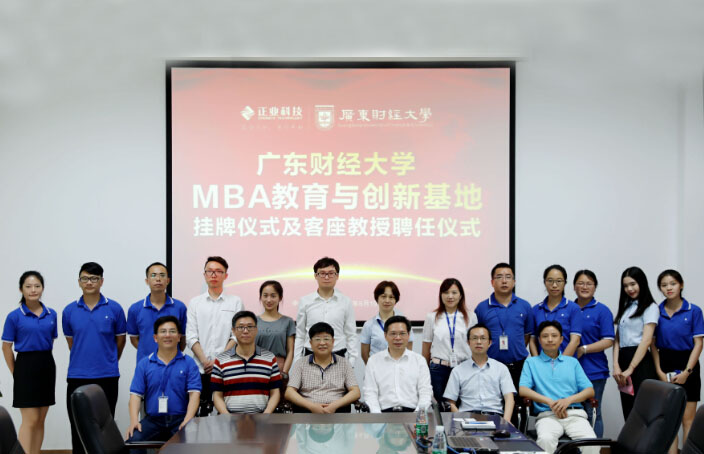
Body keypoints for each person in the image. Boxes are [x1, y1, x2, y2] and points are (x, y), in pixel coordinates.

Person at [62, 262, 127, 454]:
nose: (89, 282)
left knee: (105, 427)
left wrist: (108, 360)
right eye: (85, 278)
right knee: (77, 427)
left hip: (107, 376)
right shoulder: (69, 311)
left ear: (101, 281)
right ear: (79, 282)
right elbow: (72, 343)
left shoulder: (114, 308)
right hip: (77, 376)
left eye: (94, 278)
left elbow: (120, 341)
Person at [519, 321, 597, 454]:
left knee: (591, 442)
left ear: (561, 339)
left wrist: (567, 401)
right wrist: (550, 402)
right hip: (547, 416)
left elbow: (589, 390)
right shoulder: (531, 362)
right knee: (545, 439)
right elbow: (523, 389)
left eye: (554, 336)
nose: (550, 339)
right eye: (545, 336)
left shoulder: (572, 362)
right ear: (539, 340)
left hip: (575, 415)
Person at [1, 271, 57, 454]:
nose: (33, 290)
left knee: (40, 419)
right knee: (30, 420)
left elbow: (50, 340)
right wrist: (16, 372)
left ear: (42, 288)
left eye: (37, 286)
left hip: (46, 365)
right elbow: (6, 347)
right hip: (25, 366)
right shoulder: (14, 316)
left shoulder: (52, 314)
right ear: (21, 289)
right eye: (28, 286)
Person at [126, 316, 201, 448]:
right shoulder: (145, 363)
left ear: (179, 337)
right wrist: (134, 421)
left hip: (180, 419)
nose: (167, 335)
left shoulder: (189, 363)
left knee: (191, 442)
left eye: (172, 331)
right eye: (163, 331)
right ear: (155, 337)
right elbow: (135, 395)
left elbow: (194, 394)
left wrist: (188, 420)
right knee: (133, 440)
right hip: (153, 420)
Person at [651, 270, 704, 454]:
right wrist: (659, 371)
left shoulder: (694, 310)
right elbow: (652, 345)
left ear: (681, 285)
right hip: (664, 363)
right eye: (664, 285)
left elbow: (699, 344)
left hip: (688, 364)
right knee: (669, 420)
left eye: (672, 284)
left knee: (688, 420)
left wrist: (687, 372)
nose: (669, 288)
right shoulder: (656, 311)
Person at [185, 256, 243, 416]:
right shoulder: (195, 303)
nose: (214, 275)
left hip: (227, 367)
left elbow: (236, 335)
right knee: (200, 414)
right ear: (204, 275)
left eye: (218, 271)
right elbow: (191, 336)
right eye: (210, 271)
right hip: (200, 368)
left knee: (225, 413)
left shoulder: (235, 302)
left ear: (226, 275)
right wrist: (205, 361)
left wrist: (218, 360)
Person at [475, 263, 533, 389]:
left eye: (508, 277)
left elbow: (527, 335)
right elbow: (477, 337)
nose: (504, 281)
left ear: (514, 282)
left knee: (518, 399)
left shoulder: (525, 306)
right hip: (490, 367)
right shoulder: (482, 308)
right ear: (492, 282)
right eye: (499, 277)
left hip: (519, 366)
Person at [211, 310, 281, 413]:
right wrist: (227, 417)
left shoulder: (269, 358)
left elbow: (275, 392)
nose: (245, 331)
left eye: (250, 326)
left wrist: (266, 415)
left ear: (256, 330)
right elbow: (217, 395)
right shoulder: (221, 360)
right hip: (230, 419)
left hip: (261, 418)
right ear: (233, 331)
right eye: (240, 327)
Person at [613, 266, 659, 420]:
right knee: (628, 409)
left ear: (642, 283)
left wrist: (631, 369)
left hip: (640, 362)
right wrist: (616, 365)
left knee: (643, 411)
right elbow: (617, 338)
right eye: (625, 286)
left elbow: (646, 340)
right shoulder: (626, 306)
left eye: (633, 284)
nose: (629, 289)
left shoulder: (651, 307)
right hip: (623, 360)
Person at [293, 257, 358, 366]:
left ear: (337, 276)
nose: (326, 277)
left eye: (331, 273)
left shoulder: (345, 302)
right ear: (315, 276)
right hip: (310, 356)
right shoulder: (305, 301)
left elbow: (351, 334)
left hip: (338, 355)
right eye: (322, 273)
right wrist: (298, 361)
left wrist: (351, 362)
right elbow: (300, 334)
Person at [422, 278, 478, 403]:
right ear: (441, 295)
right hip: (438, 370)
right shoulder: (432, 317)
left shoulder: (471, 316)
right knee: (441, 407)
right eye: (446, 292)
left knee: (462, 405)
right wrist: (425, 371)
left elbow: (475, 345)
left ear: (461, 295)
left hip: (464, 367)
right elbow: (426, 346)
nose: (450, 296)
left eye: (454, 292)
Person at [573, 270, 614, 438]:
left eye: (589, 283)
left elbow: (609, 340)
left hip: (594, 371)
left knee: (593, 412)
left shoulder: (602, 310)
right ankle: (575, 449)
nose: (584, 287)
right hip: (570, 371)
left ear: (595, 287)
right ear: (574, 286)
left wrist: (584, 349)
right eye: (581, 283)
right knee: (574, 413)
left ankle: (594, 448)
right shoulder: (568, 308)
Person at [443, 323, 515, 419]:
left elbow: (509, 398)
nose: (479, 342)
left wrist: (506, 422)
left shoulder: (501, 369)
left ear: (489, 343)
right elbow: (450, 402)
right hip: (467, 417)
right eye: (474, 338)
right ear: (468, 342)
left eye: (483, 338)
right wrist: (461, 419)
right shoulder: (458, 370)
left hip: (494, 417)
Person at [286, 322, 361, 413]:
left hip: (337, 412)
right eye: (317, 339)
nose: (322, 343)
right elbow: (289, 392)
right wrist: (312, 406)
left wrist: (334, 406)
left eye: (326, 339)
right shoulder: (300, 363)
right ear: (310, 343)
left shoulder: (344, 363)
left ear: (333, 341)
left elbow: (355, 392)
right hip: (307, 413)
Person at [363, 315, 431, 413]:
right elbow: (370, 393)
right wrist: (378, 417)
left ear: (408, 335)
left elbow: (425, 392)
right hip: (383, 413)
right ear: (385, 335)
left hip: (413, 413)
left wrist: (417, 414)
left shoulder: (419, 360)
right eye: (393, 334)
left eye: (402, 333)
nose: (398, 338)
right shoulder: (373, 361)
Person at [127, 262, 187, 363]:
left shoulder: (179, 307)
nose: (158, 279)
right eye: (153, 275)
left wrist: (169, 354)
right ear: (147, 281)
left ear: (168, 280)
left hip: (173, 363)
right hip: (146, 364)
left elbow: (183, 339)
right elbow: (134, 339)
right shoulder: (135, 309)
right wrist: (150, 353)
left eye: (162, 275)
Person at [530, 265, 582, 357]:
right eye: (550, 281)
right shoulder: (536, 309)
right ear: (544, 282)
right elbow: (532, 341)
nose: (554, 285)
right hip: (542, 363)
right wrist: (537, 362)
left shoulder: (574, 308)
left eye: (559, 281)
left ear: (565, 283)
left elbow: (575, 341)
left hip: (566, 362)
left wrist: (561, 363)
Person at [360, 281, 414, 364]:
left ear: (395, 300)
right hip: (377, 369)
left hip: (399, 368)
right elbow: (364, 354)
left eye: (391, 297)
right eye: (383, 296)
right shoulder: (369, 325)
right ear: (377, 298)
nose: (387, 300)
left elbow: (409, 350)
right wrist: (373, 368)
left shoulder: (404, 324)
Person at [254, 280, 295, 383]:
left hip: (279, 370)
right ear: (260, 297)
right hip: (255, 369)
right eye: (265, 295)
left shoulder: (288, 321)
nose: (269, 300)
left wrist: (284, 373)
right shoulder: (253, 321)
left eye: (273, 296)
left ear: (280, 298)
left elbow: (290, 351)